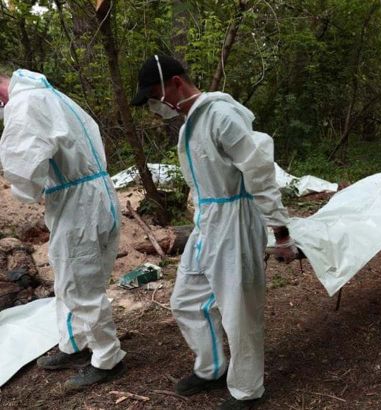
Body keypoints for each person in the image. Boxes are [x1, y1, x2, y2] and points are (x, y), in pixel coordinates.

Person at [131, 55, 298, 409]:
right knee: (187, 300)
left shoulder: (222, 115)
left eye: (155, 95)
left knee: (240, 309)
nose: (154, 106)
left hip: (236, 220)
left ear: (176, 82)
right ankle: (211, 368)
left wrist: (280, 233)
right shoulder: (193, 121)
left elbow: (260, 174)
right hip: (208, 221)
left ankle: (247, 390)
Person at [0, 69, 125, 390]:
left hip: (78, 201)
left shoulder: (24, 103)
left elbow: (24, 172)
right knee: (70, 275)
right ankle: (74, 341)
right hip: (90, 192)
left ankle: (107, 358)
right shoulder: (50, 95)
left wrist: (19, 186)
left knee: (81, 282)